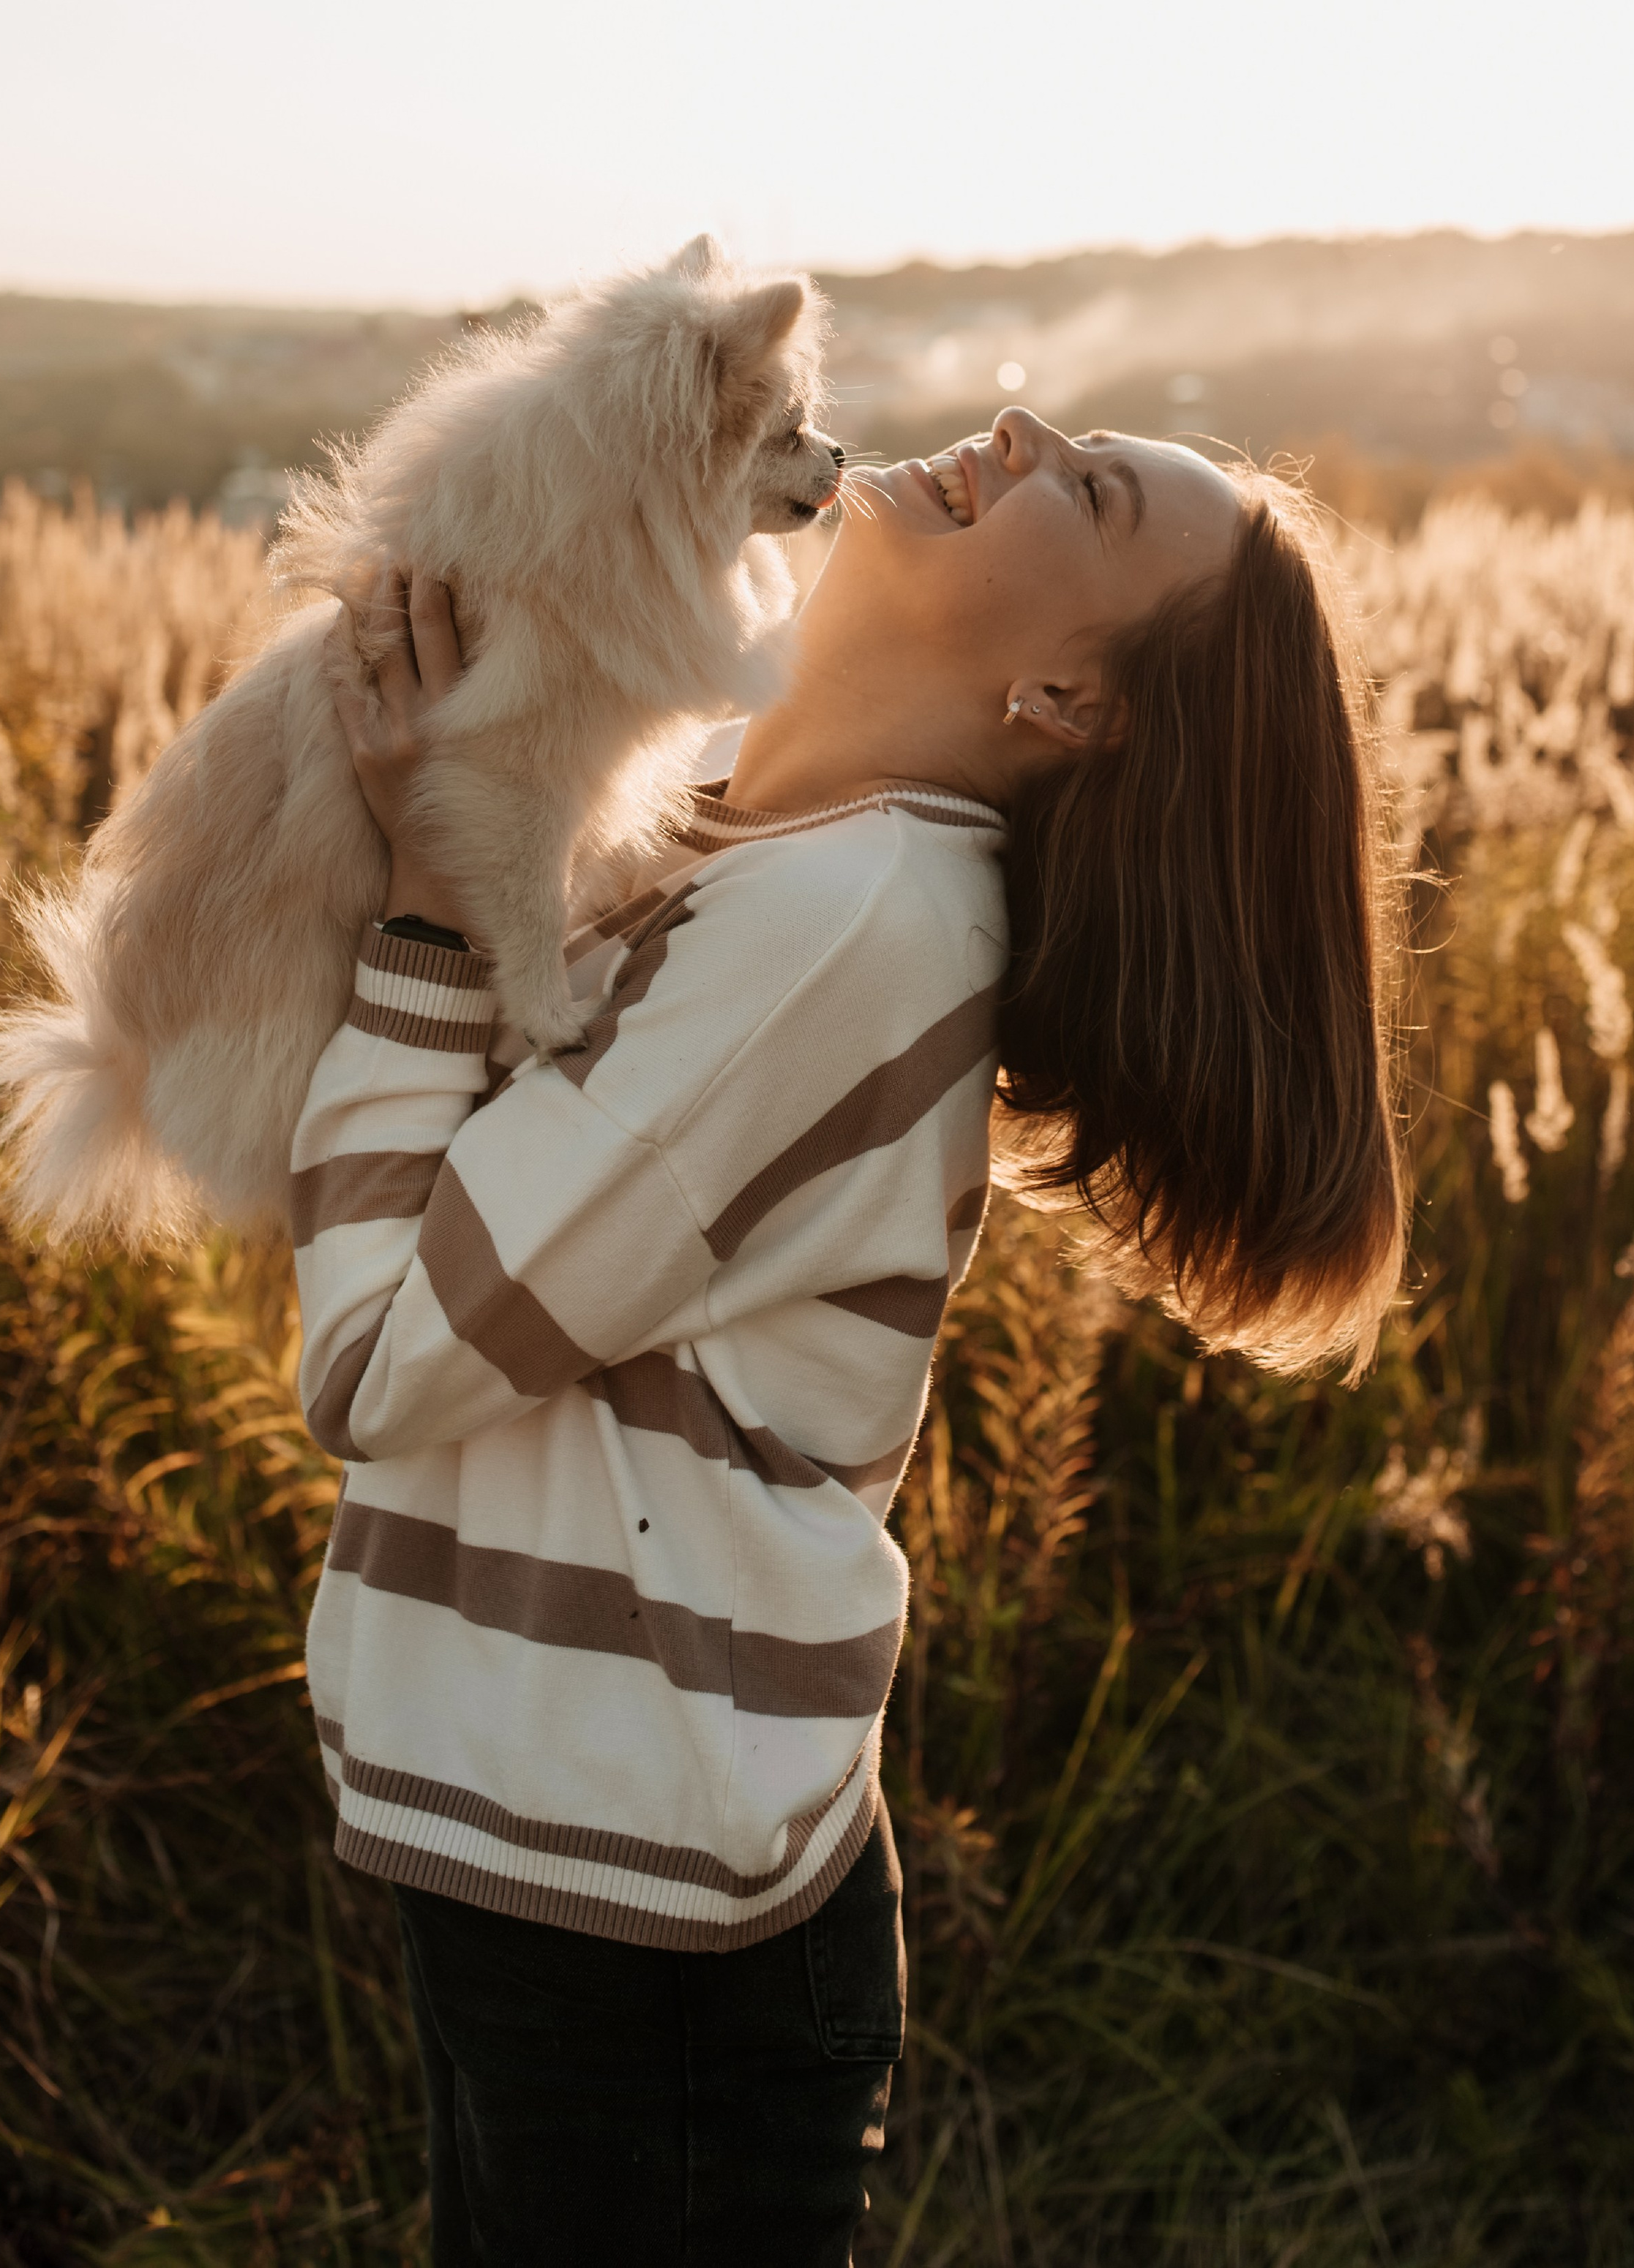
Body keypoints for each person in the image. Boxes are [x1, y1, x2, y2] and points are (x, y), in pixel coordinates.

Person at [296, 407, 1406, 2265]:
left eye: (1096, 489)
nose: (1020, 423)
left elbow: (380, 1362)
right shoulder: (722, 807)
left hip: (637, 1926)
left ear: (1065, 699)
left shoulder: (848, 917)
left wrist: (428, 900)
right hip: (552, 1857)